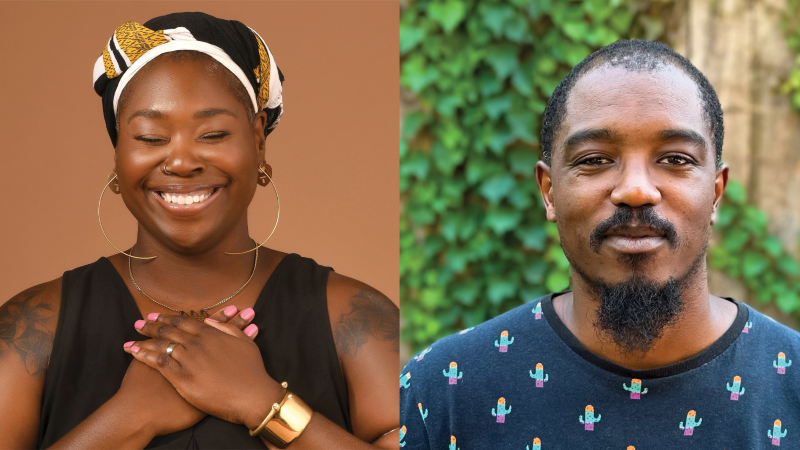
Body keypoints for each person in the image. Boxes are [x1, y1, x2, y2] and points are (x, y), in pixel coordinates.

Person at [0, 12, 399, 450]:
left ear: (258, 140)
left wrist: (261, 402)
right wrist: (130, 417)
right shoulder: (32, 328)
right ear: (118, 153)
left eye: (213, 134)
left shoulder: (354, 320)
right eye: (151, 137)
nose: (181, 162)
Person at [399, 40, 800, 449]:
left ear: (715, 192)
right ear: (549, 192)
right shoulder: (444, 389)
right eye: (594, 160)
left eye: (676, 159)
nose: (636, 191)